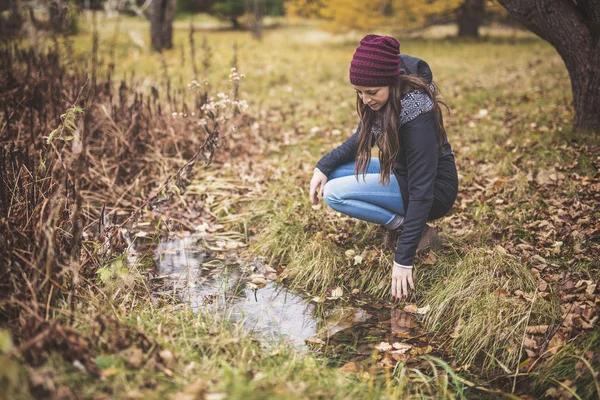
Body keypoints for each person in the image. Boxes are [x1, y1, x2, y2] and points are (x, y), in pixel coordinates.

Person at [309, 34, 458, 300]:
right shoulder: (381, 100)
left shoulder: (417, 113)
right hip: (404, 173)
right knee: (334, 174)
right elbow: (360, 140)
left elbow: (422, 189)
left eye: (371, 92)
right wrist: (323, 166)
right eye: (359, 92)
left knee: (335, 193)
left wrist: (403, 260)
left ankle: (407, 226)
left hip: (434, 189)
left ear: (392, 81)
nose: (365, 99)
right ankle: (405, 223)